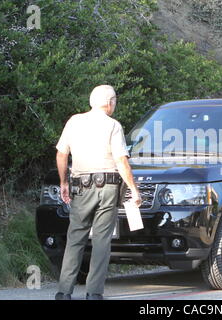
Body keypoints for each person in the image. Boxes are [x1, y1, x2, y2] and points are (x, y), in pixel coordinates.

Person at [54, 85, 141, 300]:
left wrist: (64, 182)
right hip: (108, 187)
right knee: (102, 240)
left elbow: (61, 155)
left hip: (80, 186)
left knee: (75, 238)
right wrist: (133, 189)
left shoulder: (74, 121)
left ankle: (64, 292)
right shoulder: (113, 125)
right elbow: (121, 160)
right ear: (110, 102)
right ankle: (94, 293)